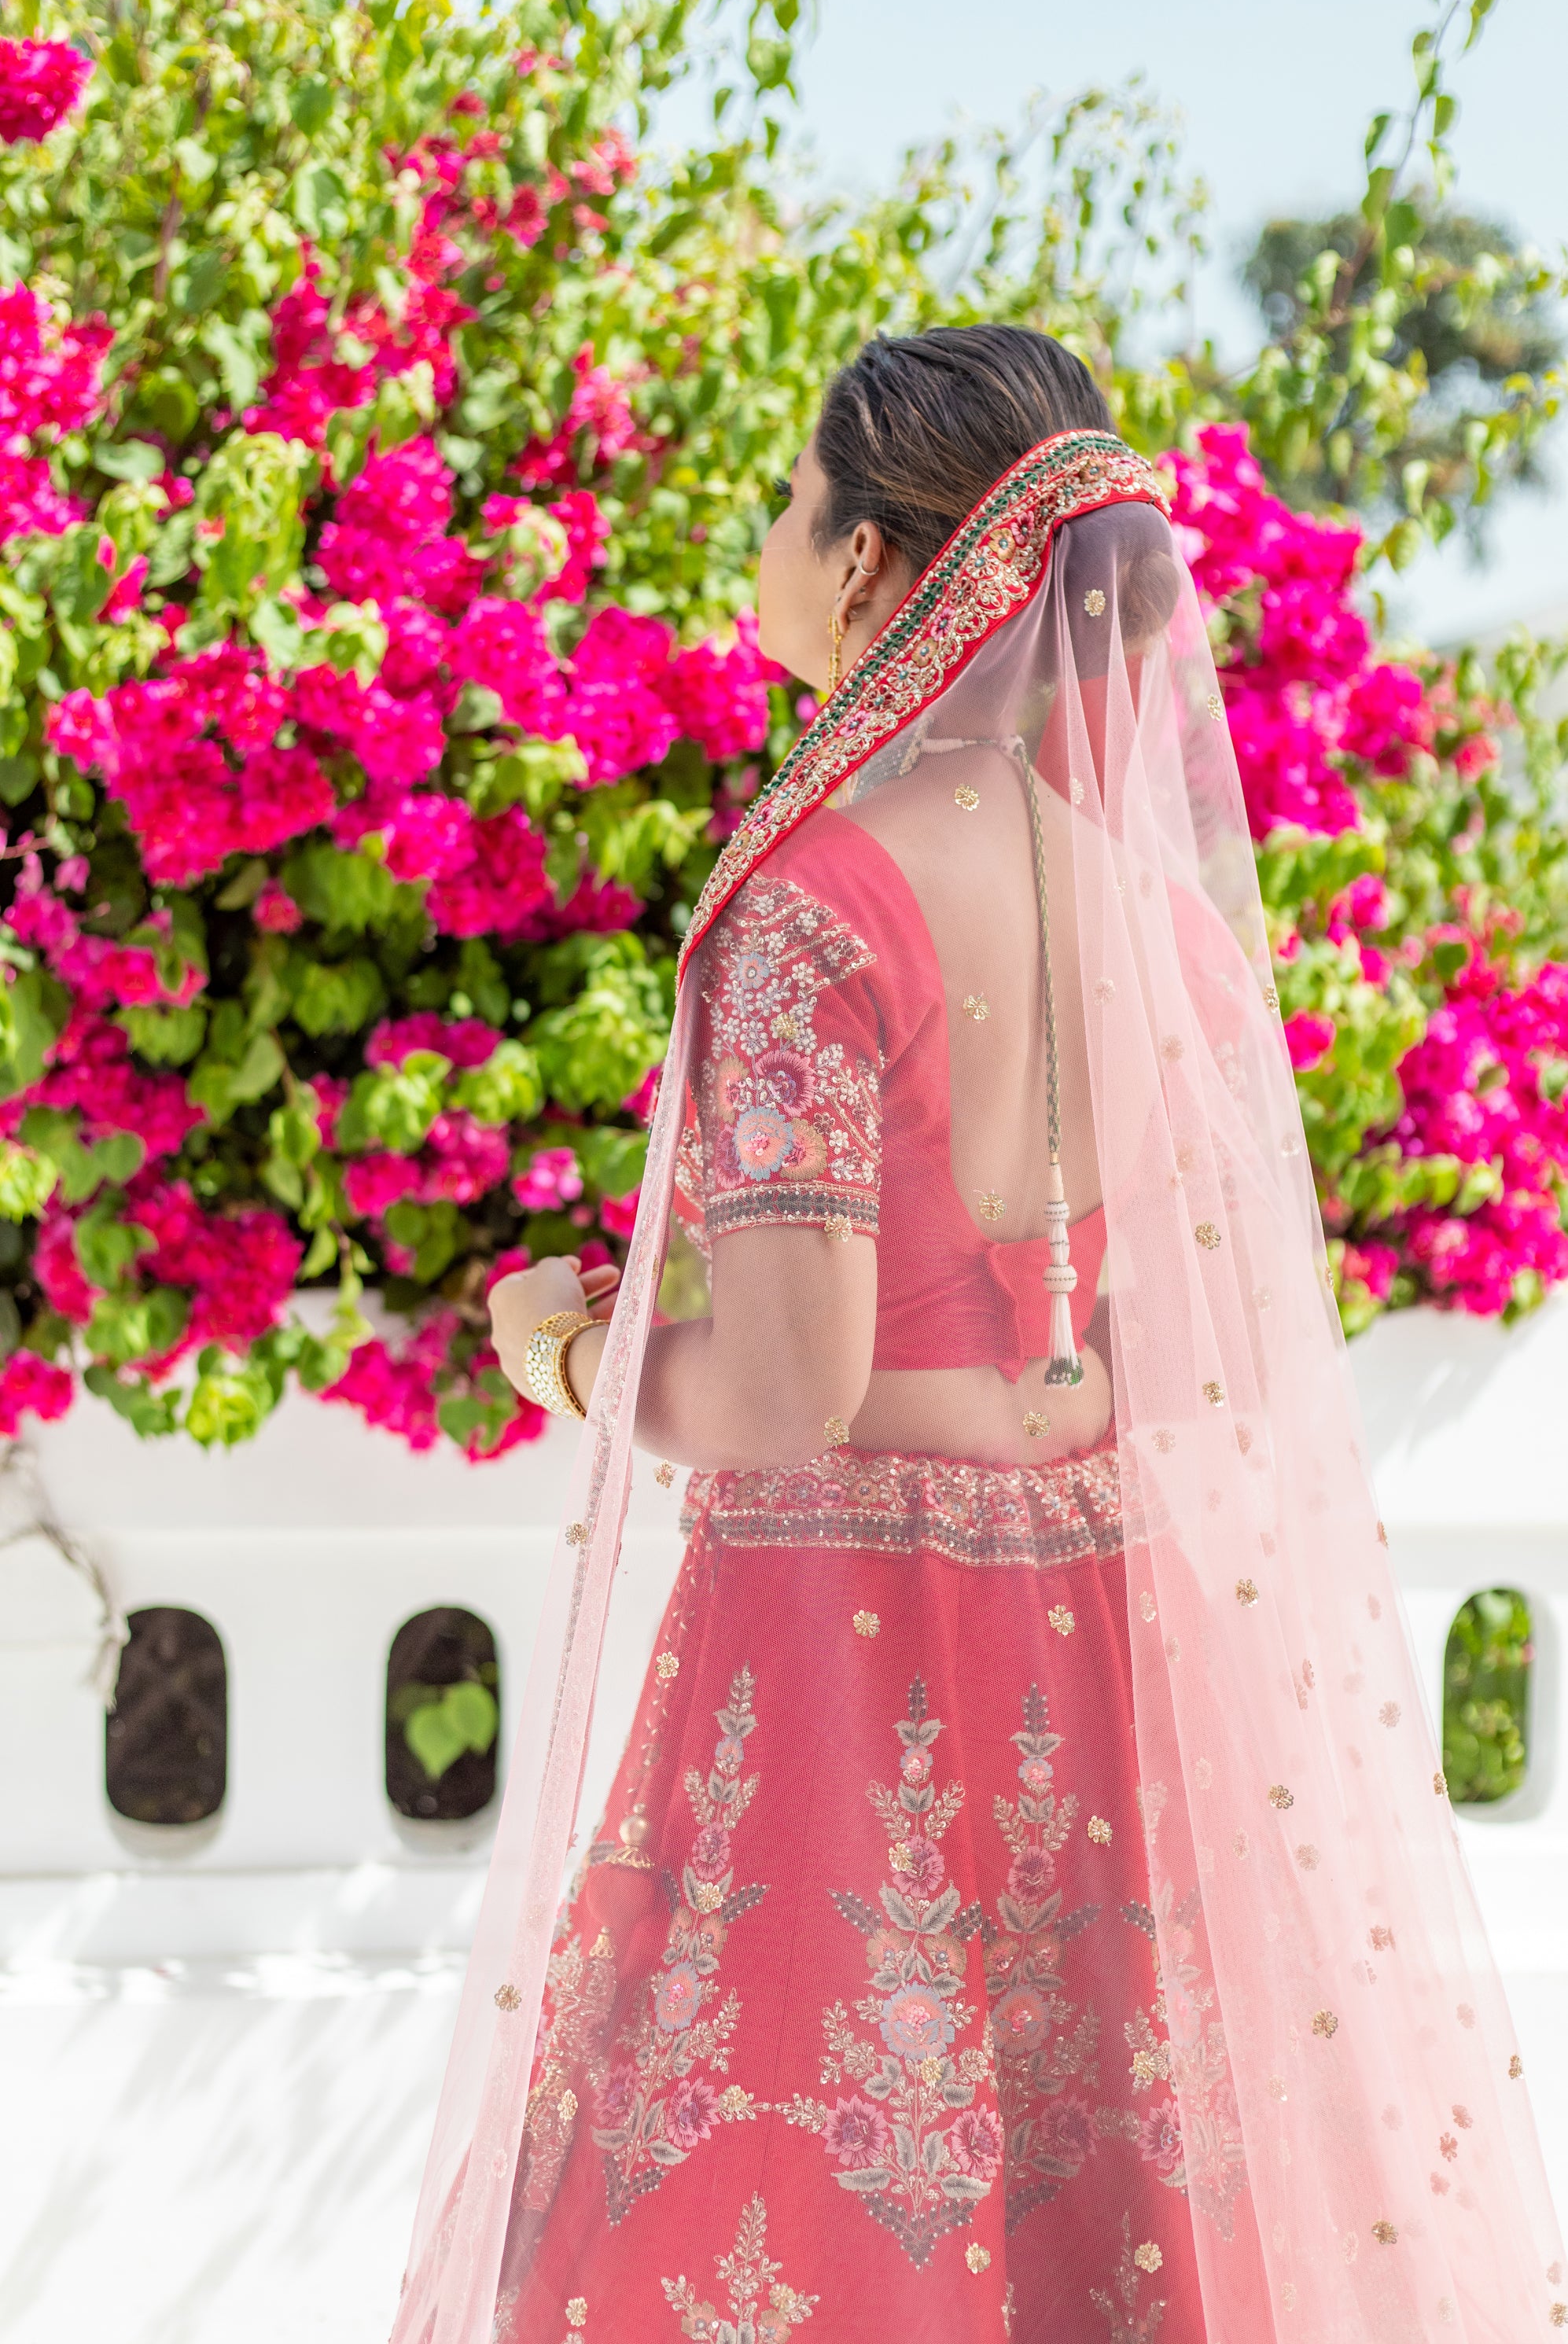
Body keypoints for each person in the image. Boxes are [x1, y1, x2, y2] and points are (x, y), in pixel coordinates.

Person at [392, 329, 1564, 2344]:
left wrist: (563, 1357)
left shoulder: (813, 901)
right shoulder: (1145, 906)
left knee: (782, 2221)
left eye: (789, 504)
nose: (768, 542)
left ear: (866, 570)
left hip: (847, 1664)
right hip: (1104, 1641)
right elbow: (1113, 1338)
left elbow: (782, 1389)